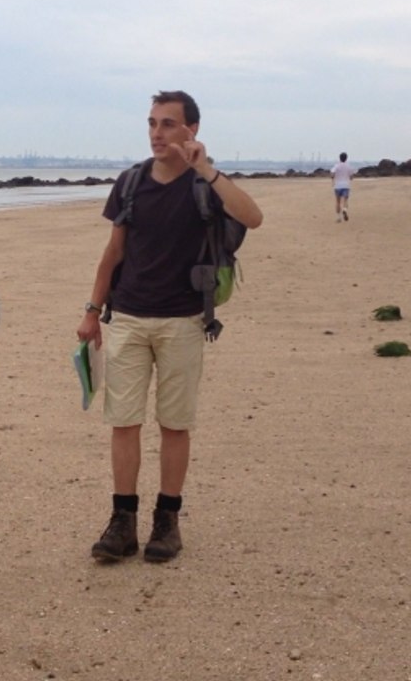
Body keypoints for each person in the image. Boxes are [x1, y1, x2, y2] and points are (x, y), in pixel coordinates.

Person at [76, 91, 263, 563]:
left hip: (183, 320)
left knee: (175, 425)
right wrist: (91, 310)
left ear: (191, 130)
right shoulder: (132, 182)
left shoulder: (205, 184)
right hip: (130, 318)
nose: (157, 133)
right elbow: (113, 252)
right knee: (124, 421)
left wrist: (207, 170)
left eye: (168, 124)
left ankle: (167, 521)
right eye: (152, 123)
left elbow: (253, 217)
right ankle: (122, 523)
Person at [331, 151, 355, 222]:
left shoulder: (337, 165)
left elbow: (332, 173)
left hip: (337, 186)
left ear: (340, 158)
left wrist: (333, 178)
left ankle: (338, 217)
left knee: (338, 201)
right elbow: (351, 177)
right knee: (345, 200)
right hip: (346, 185)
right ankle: (344, 209)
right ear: (346, 158)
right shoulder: (348, 166)